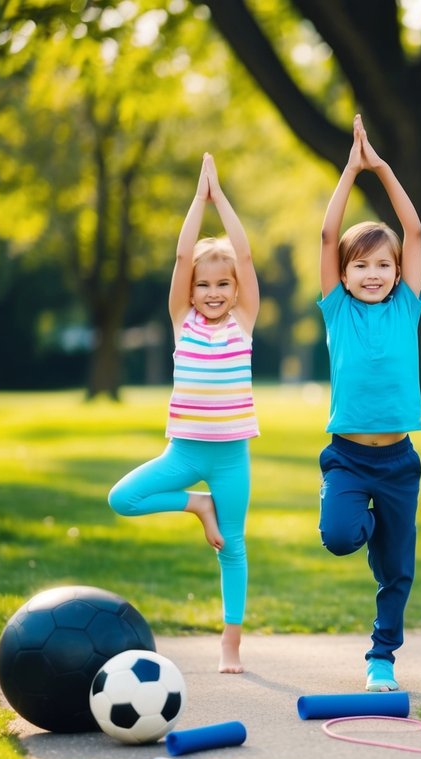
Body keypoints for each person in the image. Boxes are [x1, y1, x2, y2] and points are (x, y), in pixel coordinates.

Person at [108, 153, 259, 674]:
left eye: (222, 285)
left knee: (233, 547)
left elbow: (242, 251)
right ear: (190, 290)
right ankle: (196, 505)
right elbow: (180, 258)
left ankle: (231, 643)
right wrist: (199, 200)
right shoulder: (182, 323)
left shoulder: (243, 322)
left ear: (236, 289)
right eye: (203, 285)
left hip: (230, 456)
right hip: (185, 452)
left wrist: (223, 200)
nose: (213, 293)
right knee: (122, 498)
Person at [317, 114, 421, 693]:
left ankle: (381, 657)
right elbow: (328, 238)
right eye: (362, 265)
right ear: (344, 273)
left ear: (399, 271)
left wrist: (381, 168)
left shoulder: (408, 306)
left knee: (396, 571)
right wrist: (349, 171)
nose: (374, 273)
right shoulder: (338, 309)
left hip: (399, 462)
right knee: (339, 537)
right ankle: (356, 514)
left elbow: (415, 231)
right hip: (349, 458)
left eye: (384, 264)